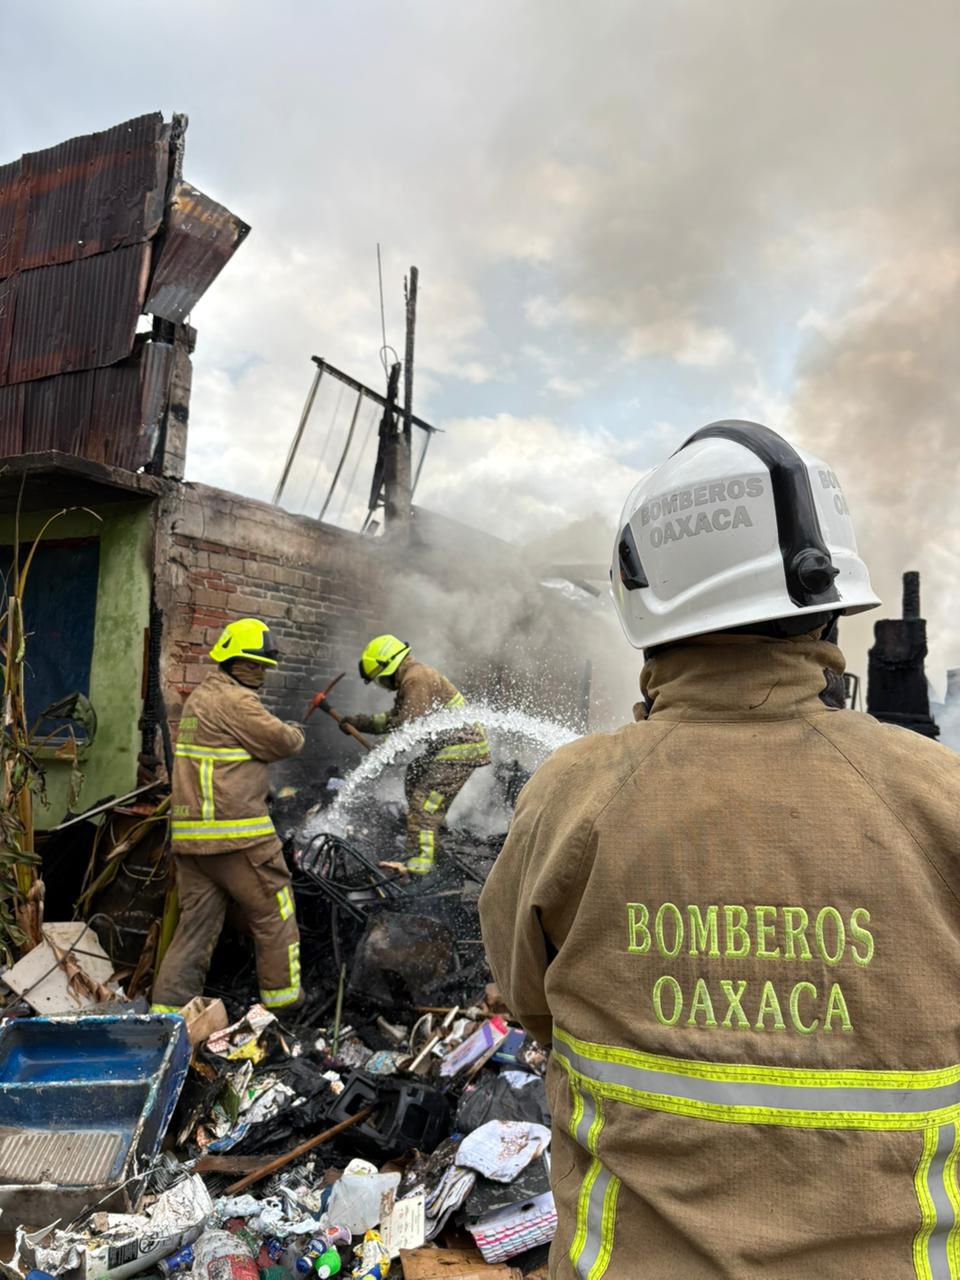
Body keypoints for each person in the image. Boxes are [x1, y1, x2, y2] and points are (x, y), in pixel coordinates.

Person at [479, 421, 960, 1279]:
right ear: (826, 605)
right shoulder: (939, 797)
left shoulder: (572, 794)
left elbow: (530, 1003)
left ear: (645, 597)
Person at [152, 618, 306, 1014]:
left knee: (194, 930)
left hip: (193, 843)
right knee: (276, 914)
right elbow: (284, 742)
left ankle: (168, 1016)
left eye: (264, 666)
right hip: (238, 840)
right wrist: (295, 728)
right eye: (254, 664)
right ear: (232, 662)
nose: (261, 673)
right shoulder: (237, 702)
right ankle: (284, 1007)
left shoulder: (200, 698)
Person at [340, 634, 490, 875]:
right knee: (415, 776)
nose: (381, 684)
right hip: (449, 748)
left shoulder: (416, 679)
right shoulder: (412, 677)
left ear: (386, 666)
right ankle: (430, 848)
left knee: (424, 803)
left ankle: (421, 866)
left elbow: (409, 727)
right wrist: (359, 722)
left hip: (460, 748)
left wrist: (383, 751)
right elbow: (395, 720)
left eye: (378, 679)